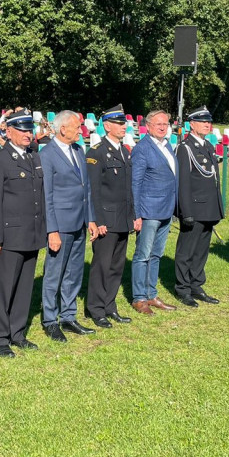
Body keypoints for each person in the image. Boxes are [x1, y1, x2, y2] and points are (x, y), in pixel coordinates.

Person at [0, 109, 46, 357]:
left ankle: (17, 333)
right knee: (4, 288)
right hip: (9, 238)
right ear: (8, 132)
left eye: (30, 129)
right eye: (22, 129)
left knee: (24, 288)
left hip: (32, 234)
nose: (27, 134)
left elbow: (39, 196)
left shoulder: (34, 157)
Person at [39, 110, 96, 343]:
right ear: (63, 129)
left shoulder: (78, 150)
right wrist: (52, 230)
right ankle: (50, 320)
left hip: (79, 222)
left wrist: (90, 218)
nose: (81, 130)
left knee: (74, 272)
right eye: (76, 126)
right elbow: (47, 195)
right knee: (54, 273)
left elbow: (87, 188)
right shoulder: (47, 155)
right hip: (60, 225)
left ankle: (69, 316)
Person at [85, 104, 140, 328]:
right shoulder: (97, 151)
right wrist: (98, 221)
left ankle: (110, 306)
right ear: (107, 126)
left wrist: (134, 215)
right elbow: (93, 190)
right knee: (101, 266)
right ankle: (96, 309)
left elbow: (129, 189)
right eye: (118, 123)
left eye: (123, 123)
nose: (123, 126)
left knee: (117, 266)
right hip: (106, 220)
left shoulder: (124, 151)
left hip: (123, 218)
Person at [173, 106, 224, 306]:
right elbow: (183, 183)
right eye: (202, 121)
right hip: (193, 208)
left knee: (201, 250)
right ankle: (183, 288)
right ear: (191, 124)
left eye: (208, 121)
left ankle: (196, 285)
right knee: (186, 251)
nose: (207, 124)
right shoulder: (185, 148)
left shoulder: (207, 146)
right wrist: (185, 211)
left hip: (209, 208)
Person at [130, 110, 178, 315]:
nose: (162, 127)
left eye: (165, 124)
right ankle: (139, 298)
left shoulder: (167, 145)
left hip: (166, 210)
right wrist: (137, 214)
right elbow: (136, 183)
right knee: (143, 255)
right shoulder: (142, 149)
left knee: (156, 254)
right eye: (158, 124)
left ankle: (151, 294)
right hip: (149, 211)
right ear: (147, 126)